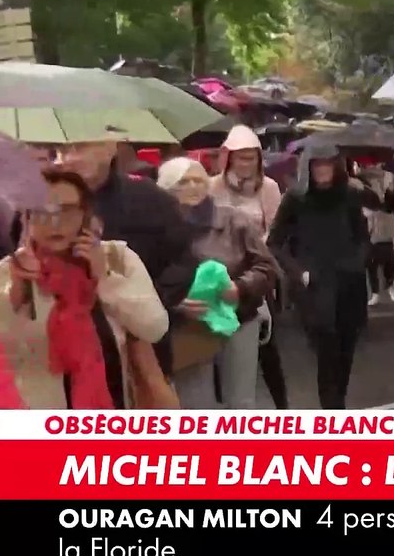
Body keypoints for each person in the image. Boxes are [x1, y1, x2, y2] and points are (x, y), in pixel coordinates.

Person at [0, 170, 168, 408]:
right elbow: (10, 358)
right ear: (27, 218)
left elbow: (154, 328)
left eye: (67, 211)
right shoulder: (11, 271)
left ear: (85, 214)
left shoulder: (117, 258)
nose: (55, 223)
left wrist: (104, 278)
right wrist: (15, 295)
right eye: (42, 211)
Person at [41, 138, 196, 376]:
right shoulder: (40, 203)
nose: (71, 157)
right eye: (62, 149)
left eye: (81, 147)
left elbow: (183, 260)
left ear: (110, 148)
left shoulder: (148, 198)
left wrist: (144, 301)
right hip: (65, 350)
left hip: (140, 348)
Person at [157, 158, 280, 409]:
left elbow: (267, 267)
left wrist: (240, 287)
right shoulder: (159, 227)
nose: (193, 186)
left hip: (238, 317)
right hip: (188, 325)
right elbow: (150, 275)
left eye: (198, 180)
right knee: (196, 404)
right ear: (167, 187)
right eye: (183, 181)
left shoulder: (235, 219)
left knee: (241, 403)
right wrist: (174, 302)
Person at [269, 143, 370, 409]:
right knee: (326, 353)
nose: (323, 170)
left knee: (346, 350)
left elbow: (362, 235)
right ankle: (332, 411)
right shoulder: (295, 198)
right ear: (308, 168)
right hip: (315, 286)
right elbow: (274, 242)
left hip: (349, 282)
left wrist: (358, 261)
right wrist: (299, 272)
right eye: (317, 165)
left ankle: (339, 404)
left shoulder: (349, 195)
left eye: (328, 164)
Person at [208, 124, 287, 408]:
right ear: (228, 157)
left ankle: (282, 407)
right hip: (221, 272)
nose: (246, 164)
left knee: (267, 348)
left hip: (258, 270)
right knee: (217, 346)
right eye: (240, 158)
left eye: (251, 158)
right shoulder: (212, 187)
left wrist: (259, 247)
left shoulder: (269, 188)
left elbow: (277, 228)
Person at [360, 164, 394, 307]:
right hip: (372, 231)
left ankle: (390, 286)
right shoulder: (364, 181)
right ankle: (375, 292)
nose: (373, 167)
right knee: (371, 263)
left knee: (389, 261)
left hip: (388, 227)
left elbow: (393, 201)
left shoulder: (390, 177)